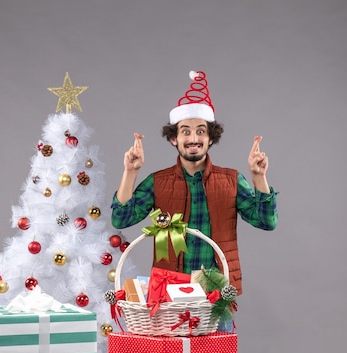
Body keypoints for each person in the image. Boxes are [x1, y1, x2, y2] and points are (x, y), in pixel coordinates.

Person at [110, 71, 278, 307]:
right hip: (169, 291)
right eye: (185, 131)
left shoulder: (231, 180)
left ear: (211, 138)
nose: (193, 138)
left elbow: (266, 221)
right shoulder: (158, 182)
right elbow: (121, 218)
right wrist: (130, 172)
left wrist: (259, 177)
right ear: (173, 139)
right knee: (172, 347)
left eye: (201, 131)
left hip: (216, 292)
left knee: (217, 346)